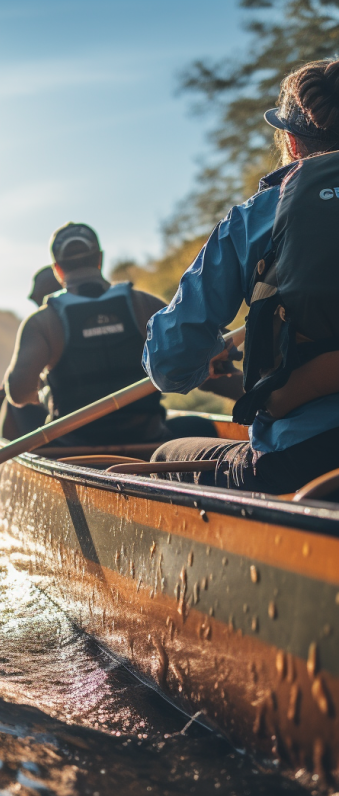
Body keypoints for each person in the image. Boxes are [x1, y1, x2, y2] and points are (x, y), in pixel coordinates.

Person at [144, 59, 339, 494]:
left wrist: (205, 355)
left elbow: (170, 364)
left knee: (164, 456)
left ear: (291, 141)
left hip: (301, 460)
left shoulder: (255, 217)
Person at [0, 223, 220, 444]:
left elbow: (18, 393)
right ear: (100, 259)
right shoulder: (145, 305)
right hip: (146, 437)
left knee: (10, 404)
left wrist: (46, 393)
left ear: (57, 269)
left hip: (75, 447)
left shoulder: (43, 322)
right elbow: (201, 361)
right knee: (202, 427)